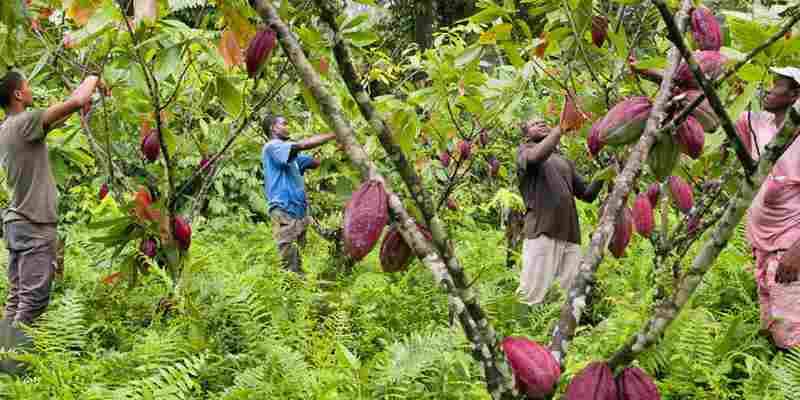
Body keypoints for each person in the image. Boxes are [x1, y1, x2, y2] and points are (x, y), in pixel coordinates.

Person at [0, 71, 100, 326]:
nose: (31, 90)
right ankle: (15, 364)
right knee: (32, 302)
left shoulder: (7, 128)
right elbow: (76, 101)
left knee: (16, 299)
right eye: (28, 86)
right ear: (18, 94)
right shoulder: (26, 122)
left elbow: (62, 115)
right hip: (34, 225)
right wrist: (93, 75)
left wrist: (83, 97)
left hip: (17, 223)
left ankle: (5, 357)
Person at [515, 119, 603, 307]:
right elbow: (536, 157)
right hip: (542, 231)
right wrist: (559, 130)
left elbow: (587, 194)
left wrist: (605, 173)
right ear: (526, 135)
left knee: (566, 296)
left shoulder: (563, 160)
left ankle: (557, 334)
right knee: (531, 293)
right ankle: (519, 334)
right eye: (534, 124)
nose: (542, 124)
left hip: (570, 236)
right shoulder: (525, 151)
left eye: (544, 122)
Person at [745, 74, 800, 349]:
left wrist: (795, 253)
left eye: (777, 84)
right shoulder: (760, 125)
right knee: (771, 329)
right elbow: (709, 107)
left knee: (791, 337)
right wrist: (667, 78)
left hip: (788, 251)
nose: (768, 88)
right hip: (762, 248)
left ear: (794, 95)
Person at [262, 115, 336, 277]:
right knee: (288, 261)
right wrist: (333, 134)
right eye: (284, 123)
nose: (288, 127)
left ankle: (298, 291)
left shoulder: (292, 158)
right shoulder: (272, 147)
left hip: (298, 211)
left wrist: (337, 150)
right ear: (273, 128)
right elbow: (303, 144)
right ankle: (288, 295)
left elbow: (317, 163)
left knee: (297, 258)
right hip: (284, 209)